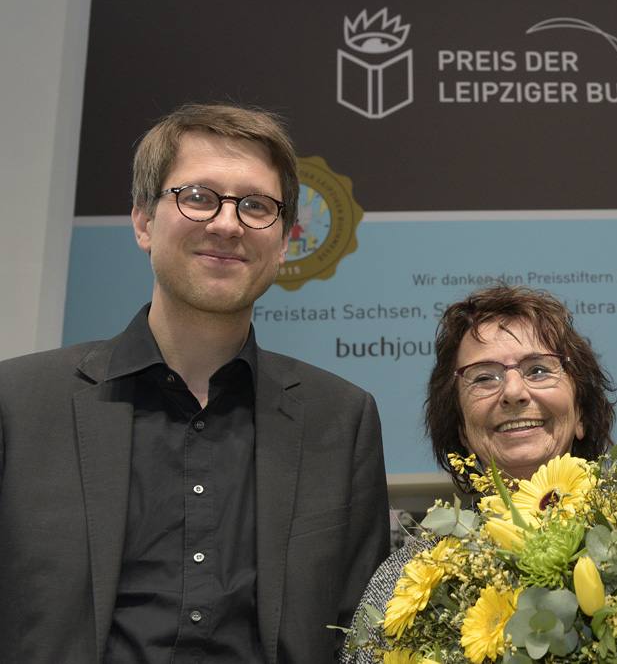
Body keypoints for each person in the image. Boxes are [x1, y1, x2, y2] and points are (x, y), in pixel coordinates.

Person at [0, 103, 390, 663]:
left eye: (256, 205)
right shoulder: (19, 404)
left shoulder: (342, 419)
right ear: (142, 222)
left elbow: (363, 637)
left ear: (282, 243)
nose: (227, 224)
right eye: (199, 197)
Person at [342, 284, 617, 664]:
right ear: (461, 431)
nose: (513, 392)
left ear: (581, 412)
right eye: (484, 377)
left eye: (539, 370)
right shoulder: (407, 581)